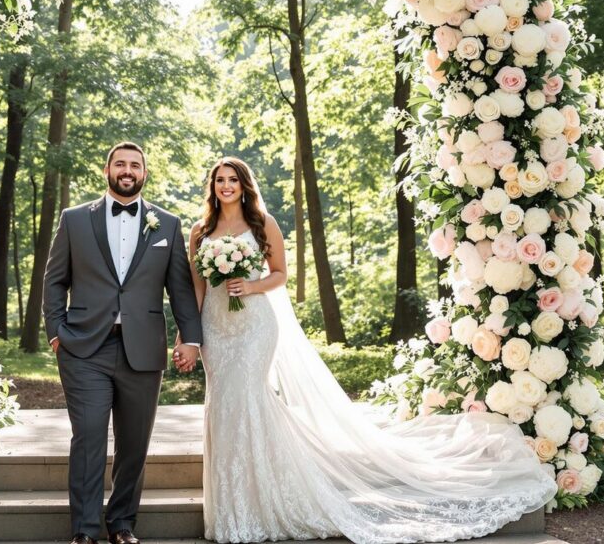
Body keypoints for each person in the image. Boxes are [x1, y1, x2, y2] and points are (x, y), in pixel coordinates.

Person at [184, 156, 557, 544]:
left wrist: (251, 286)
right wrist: (189, 336)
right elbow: (196, 287)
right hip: (217, 328)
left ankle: (261, 503)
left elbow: (280, 275)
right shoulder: (201, 230)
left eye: (233, 179)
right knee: (223, 406)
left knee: (247, 399)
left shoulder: (263, 224)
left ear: (244, 185)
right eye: (219, 180)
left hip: (254, 327)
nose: (226, 186)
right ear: (212, 187)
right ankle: (231, 508)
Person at [43, 141, 203, 544]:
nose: (127, 170)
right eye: (120, 164)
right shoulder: (75, 219)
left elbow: (181, 290)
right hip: (84, 348)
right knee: (90, 436)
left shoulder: (166, 223)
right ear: (107, 170)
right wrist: (56, 331)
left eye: (135, 164)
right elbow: (54, 279)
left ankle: (123, 523)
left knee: (134, 442)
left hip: (143, 349)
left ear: (144, 172)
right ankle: (84, 529)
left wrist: (193, 340)